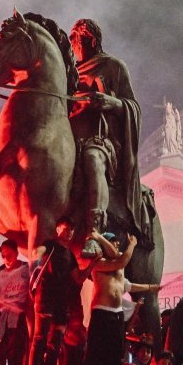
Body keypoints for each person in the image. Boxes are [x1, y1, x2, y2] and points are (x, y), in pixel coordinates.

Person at [68, 18, 145, 256]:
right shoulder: (69, 73)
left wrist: (113, 103)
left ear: (89, 40)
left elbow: (133, 106)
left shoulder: (113, 67)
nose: (72, 47)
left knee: (92, 159)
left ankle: (94, 231)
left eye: (75, 41)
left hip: (101, 140)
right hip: (70, 139)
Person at [76, 230, 137, 365]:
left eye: (118, 244)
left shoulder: (118, 266)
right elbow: (121, 259)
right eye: (113, 243)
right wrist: (131, 244)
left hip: (117, 316)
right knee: (94, 358)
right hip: (101, 313)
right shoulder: (98, 264)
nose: (117, 246)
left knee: (113, 361)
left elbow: (119, 258)